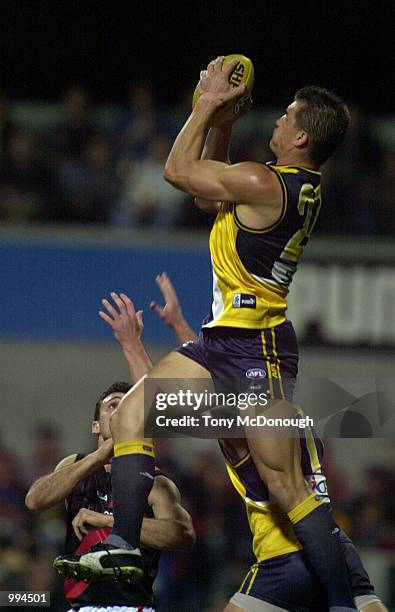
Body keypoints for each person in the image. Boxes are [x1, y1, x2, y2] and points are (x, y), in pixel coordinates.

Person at [55, 58, 357, 611]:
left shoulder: (263, 181)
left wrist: (208, 104)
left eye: (287, 115)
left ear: (301, 136)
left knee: (287, 486)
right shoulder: (278, 183)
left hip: (256, 348)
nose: (278, 118)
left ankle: (343, 602)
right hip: (225, 339)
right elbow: (206, 195)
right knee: (130, 414)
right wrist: (222, 126)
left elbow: (177, 173)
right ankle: (124, 541)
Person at [99, 279, 387, 612]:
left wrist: (132, 345)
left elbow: (162, 402)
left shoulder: (242, 424)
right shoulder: (290, 412)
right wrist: (180, 328)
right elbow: (217, 375)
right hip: (335, 551)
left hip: (283, 560)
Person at [25, 378, 195, 612]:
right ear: (96, 425)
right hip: (78, 605)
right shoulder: (74, 465)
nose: (120, 413)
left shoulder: (154, 480)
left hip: (131, 605)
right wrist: (97, 457)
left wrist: (108, 521)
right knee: (13, 598)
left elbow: (183, 535)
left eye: (128, 407)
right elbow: (34, 500)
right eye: (113, 405)